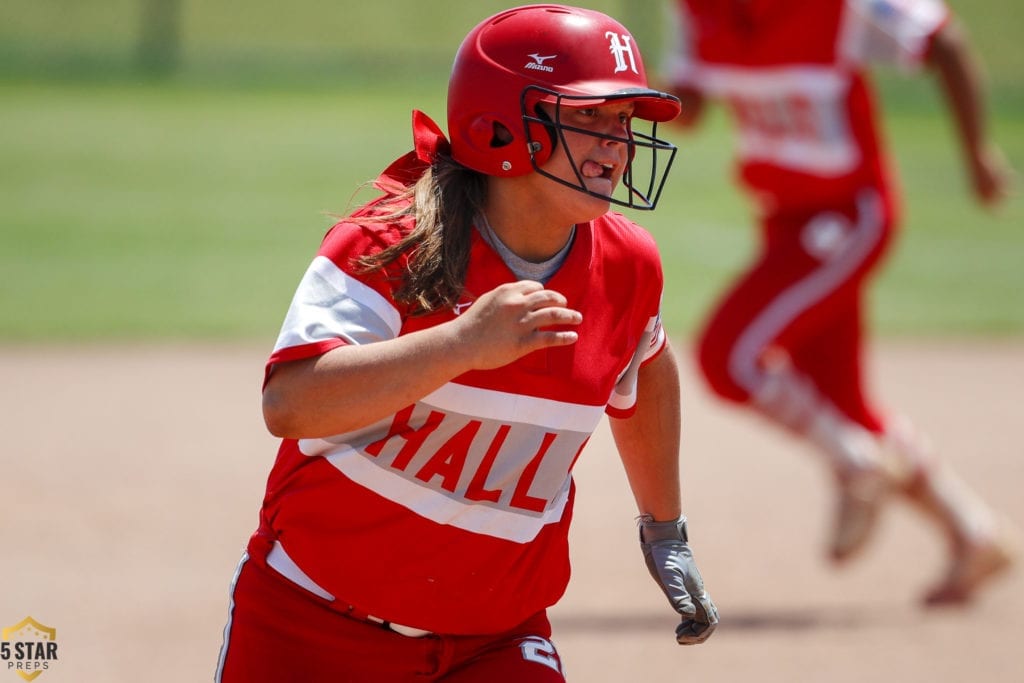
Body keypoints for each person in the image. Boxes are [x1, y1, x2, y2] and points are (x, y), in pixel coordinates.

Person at [215, 5, 718, 682]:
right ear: (501, 124)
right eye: (588, 117)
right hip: (311, 624)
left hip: (497, 641)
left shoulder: (626, 264)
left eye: (623, 120)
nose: (617, 143)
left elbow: (646, 369)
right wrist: (459, 345)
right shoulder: (389, 242)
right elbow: (290, 400)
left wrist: (666, 529)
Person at [661, 0, 1016, 605]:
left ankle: (856, 462)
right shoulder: (699, 10)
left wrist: (979, 155)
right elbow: (691, 108)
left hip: (849, 215)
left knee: (729, 355)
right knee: (843, 402)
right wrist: (623, 98)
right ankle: (973, 534)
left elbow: (945, 42)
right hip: (782, 220)